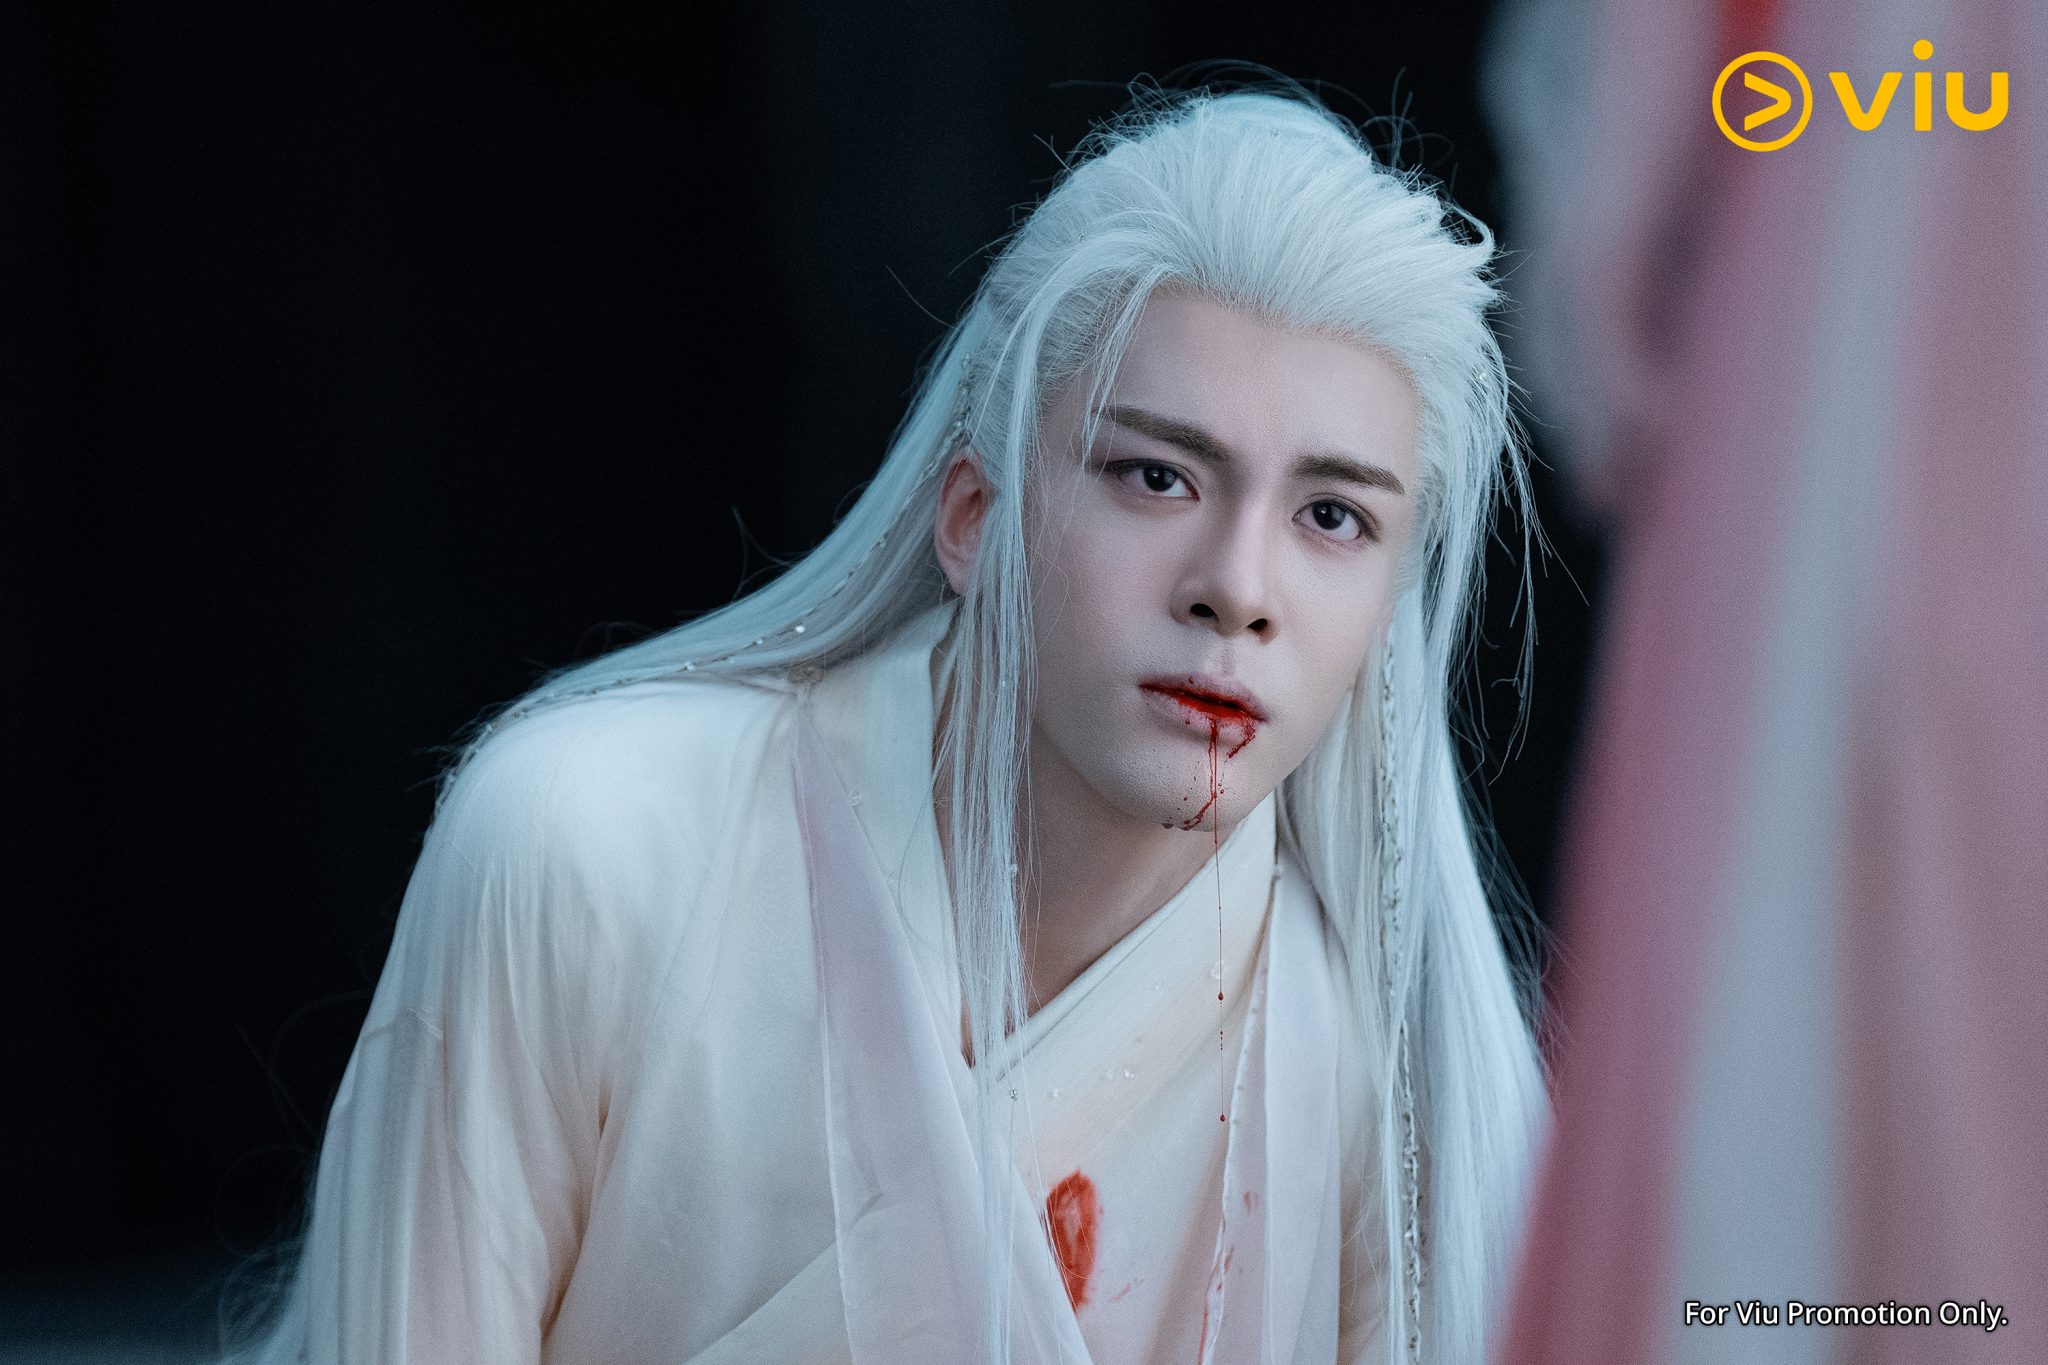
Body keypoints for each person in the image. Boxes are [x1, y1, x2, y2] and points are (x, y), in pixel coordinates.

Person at [215, 79, 1548, 1365]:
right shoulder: (588, 849)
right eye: (1156, 475)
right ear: (972, 516)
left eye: (1333, 517)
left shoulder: (1369, 1077)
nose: (1238, 588)